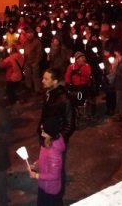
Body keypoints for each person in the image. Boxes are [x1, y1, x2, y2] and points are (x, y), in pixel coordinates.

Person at [39, 68, 75, 203]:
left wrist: (55, 139)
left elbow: (70, 124)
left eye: (46, 79)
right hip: (45, 138)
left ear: (55, 81)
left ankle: (56, 198)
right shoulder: (49, 93)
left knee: (57, 171)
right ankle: (46, 194)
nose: (42, 81)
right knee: (46, 167)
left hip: (55, 142)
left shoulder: (64, 99)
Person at [29, 118, 65, 206]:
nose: (41, 133)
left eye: (44, 132)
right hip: (44, 184)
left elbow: (54, 175)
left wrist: (36, 175)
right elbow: (44, 159)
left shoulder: (54, 152)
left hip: (50, 188)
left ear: (51, 134)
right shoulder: (48, 141)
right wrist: (36, 164)